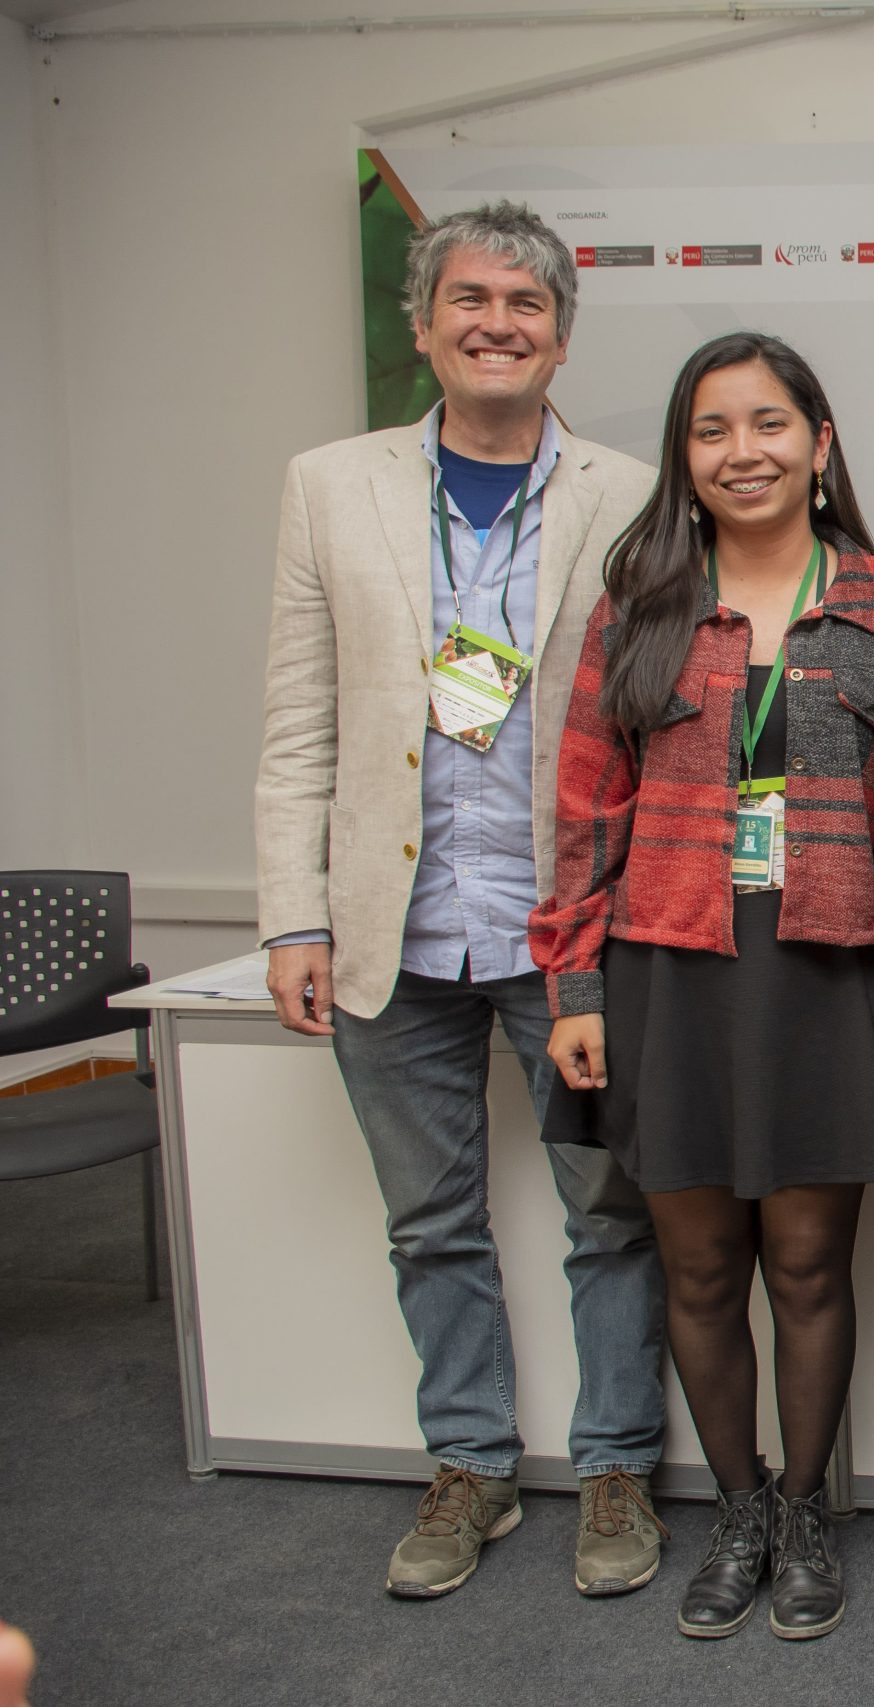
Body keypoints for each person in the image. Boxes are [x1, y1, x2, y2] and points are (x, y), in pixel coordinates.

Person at [254, 201, 666, 1601]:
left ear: (562, 335)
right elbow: (298, 720)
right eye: (470, 300)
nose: (498, 322)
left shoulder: (630, 489)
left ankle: (617, 1462)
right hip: (395, 923)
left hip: (567, 927)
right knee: (429, 1221)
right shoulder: (330, 484)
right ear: (423, 325)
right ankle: (473, 1462)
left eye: (527, 305)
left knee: (610, 1209)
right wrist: (292, 913)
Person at [530, 332, 874, 1641]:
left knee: (809, 1261)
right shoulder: (638, 604)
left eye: (768, 423)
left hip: (824, 965)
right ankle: (738, 1502)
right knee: (699, 1265)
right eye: (711, 430)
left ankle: (807, 1506)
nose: (741, 450)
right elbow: (586, 807)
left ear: (817, 442)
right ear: (684, 460)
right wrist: (574, 987)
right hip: (671, 969)